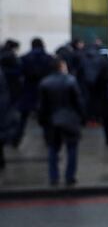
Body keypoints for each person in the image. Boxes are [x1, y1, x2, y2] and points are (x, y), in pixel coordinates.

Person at [37, 58, 85, 187]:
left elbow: (42, 106)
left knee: (53, 149)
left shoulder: (44, 83)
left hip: (51, 120)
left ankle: (54, 177)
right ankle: (70, 177)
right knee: (72, 149)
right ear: (61, 67)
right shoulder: (70, 81)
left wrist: (41, 121)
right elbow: (78, 102)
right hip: (70, 119)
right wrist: (82, 117)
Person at [16, 38, 54, 145]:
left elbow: (20, 74)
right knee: (46, 117)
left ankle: (16, 139)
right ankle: (48, 139)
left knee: (23, 118)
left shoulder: (24, 58)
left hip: (28, 89)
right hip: (44, 90)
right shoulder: (49, 58)